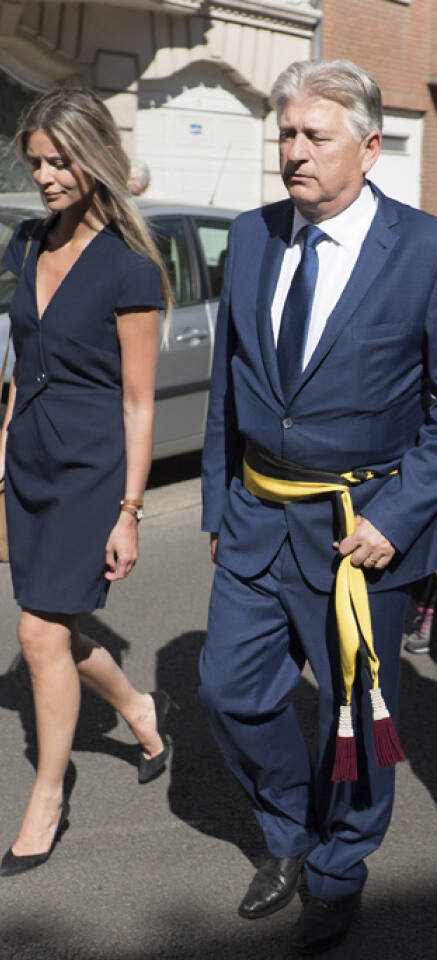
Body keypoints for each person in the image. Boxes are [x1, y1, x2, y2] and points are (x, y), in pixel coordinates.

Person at [198, 58, 437, 956]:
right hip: (256, 515)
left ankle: (337, 870)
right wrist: (216, 506)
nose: (293, 151)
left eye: (314, 136)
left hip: (361, 533)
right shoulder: (250, 236)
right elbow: (228, 387)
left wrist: (396, 518)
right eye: (285, 133)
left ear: (368, 148)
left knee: (353, 715)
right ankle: (290, 832)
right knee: (229, 690)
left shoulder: (432, 251)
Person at [0, 88, 174, 877]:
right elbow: (21, 362)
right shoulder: (27, 243)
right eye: (36, 163)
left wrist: (130, 510)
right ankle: (139, 708)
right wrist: (3, 446)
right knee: (56, 630)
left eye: (59, 161)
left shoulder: (128, 269)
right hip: (28, 460)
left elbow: (139, 403)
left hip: (88, 472)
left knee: (37, 634)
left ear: (95, 157)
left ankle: (47, 797)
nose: (44, 176)